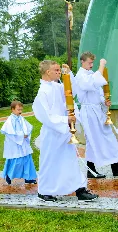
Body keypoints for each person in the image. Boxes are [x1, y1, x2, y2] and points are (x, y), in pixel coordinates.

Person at [32, 60, 98, 202]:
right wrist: (64, 120)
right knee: (49, 162)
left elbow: (71, 92)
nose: (59, 72)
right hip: (52, 133)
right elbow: (45, 115)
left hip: (65, 132)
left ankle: (80, 190)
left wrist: (69, 75)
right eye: (56, 70)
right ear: (47, 72)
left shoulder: (57, 86)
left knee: (71, 161)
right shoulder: (42, 92)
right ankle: (44, 191)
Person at [75, 51, 118, 178]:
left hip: (98, 111)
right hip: (89, 112)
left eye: (93, 62)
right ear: (82, 62)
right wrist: (101, 65)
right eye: (89, 62)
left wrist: (104, 101)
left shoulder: (91, 74)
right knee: (92, 140)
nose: (91, 65)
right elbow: (91, 83)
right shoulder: (80, 75)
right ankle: (91, 170)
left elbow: (97, 92)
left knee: (110, 138)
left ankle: (116, 166)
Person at [1, 100, 37, 185]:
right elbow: (10, 132)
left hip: (23, 144)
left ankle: (28, 177)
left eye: (21, 109)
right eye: (18, 110)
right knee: (17, 161)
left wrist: (27, 134)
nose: (20, 111)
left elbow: (28, 127)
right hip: (15, 145)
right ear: (12, 110)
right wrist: (21, 136)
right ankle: (9, 176)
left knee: (27, 159)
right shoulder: (10, 120)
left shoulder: (21, 118)